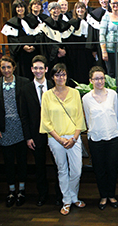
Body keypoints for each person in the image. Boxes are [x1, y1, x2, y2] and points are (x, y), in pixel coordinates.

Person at [40, 63, 87, 215]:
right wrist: (59, 139)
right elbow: (45, 121)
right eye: (57, 75)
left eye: (63, 74)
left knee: (76, 170)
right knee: (62, 170)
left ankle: (74, 196)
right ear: (52, 77)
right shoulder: (47, 95)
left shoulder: (74, 93)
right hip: (55, 139)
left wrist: (74, 138)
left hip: (74, 137)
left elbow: (80, 116)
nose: (61, 77)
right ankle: (67, 200)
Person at [19, 55, 62, 207]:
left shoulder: (54, 85)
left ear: (46, 69)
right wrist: (28, 137)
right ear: (31, 69)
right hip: (35, 134)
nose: (38, 70)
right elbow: (23, 115)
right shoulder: (25, 89)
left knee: (59, 165)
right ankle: (42, 195)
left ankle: (59, 195)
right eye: (35, 68)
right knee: (39, 167)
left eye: (41, 68)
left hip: (54, 133)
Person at [0, 56, 30, 208]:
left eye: (8, 67)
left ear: (14, 67)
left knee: (21, 160)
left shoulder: (24, 82)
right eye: (3, 67)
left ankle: (21, 190)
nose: (6, 70)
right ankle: (11, 190)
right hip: (4, 127)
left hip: (20, 126)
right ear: (0, 69)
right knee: (8, 161)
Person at [83, 66, 118, 210]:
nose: (100, 81)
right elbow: (88, 119)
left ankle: (111, 195)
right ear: (90, 81)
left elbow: (116, 114)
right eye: (96, 78)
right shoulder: (86, 98)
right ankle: (103, 196)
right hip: (96, 138)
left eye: (102, 78)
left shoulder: (113, 94)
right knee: (99, 169)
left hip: (113, 137)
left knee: (112, 168)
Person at [1, 0, 40, 78]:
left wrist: (34, 46)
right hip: (20, 55)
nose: (20, 9)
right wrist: (23, 47)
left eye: (22, 7)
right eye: (17, 7)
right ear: (14, 9)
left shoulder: (32, 21)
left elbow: (37, 35)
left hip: (33, 53)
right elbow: (12, 40)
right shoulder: (11, 23)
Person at [65, 2, 96, 85]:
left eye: (82, 8)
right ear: (75, 10)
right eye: (78, 8)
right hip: (76, 51)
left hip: (87, 50)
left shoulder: (90, 20)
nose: (80, 10)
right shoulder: (72, 22)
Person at [99, 0, 118, 78]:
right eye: (113, 3)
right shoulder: (106, 17)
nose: (115, 5)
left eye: (117, 3)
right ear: (110, 5)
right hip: (109, 50)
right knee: (111, 73)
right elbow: (102, 35)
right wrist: (103, 50)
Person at [39, 2, 72, 70]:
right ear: (50, 11)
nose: (56, 10)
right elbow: (46, 42)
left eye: (58, 8)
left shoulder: (64, 24)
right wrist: (58, 50)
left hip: (63, 56)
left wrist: (64, 50)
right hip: (52, 56)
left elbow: (67, 39)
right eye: (54, 9)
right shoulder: (45, 25)